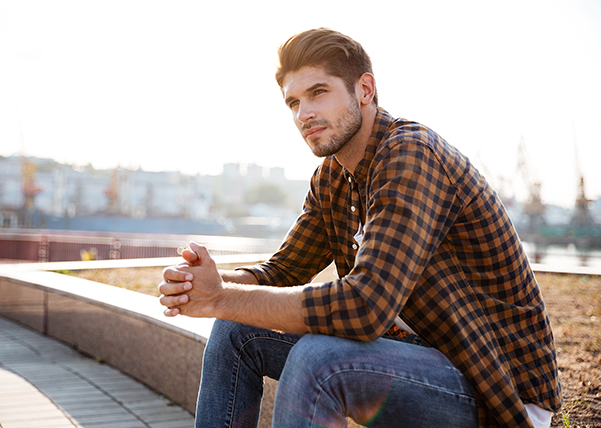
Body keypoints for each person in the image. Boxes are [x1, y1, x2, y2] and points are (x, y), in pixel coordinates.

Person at [159, 28, 561, 428]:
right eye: (293, 102)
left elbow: (366, 307)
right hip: (412, 355)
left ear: (364, 89)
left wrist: (220, 297)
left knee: (318, 361)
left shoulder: (411, 154)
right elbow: (282, 273)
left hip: (491, 383)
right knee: (235, 328)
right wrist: (208, 284)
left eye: (319, 92)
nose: (304, 114)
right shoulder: (331, 177)